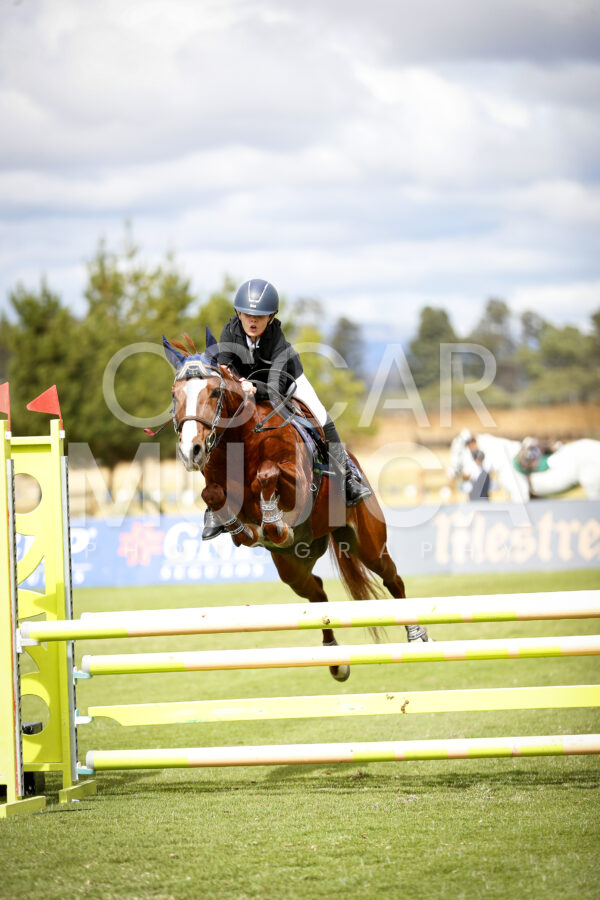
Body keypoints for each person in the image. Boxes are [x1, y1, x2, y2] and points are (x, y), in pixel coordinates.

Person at [202, 278, 371, 539]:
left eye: (260, 316)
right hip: (244, 386)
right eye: (247, 314)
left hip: (286, 382)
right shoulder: (229, 332)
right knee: (219, 421)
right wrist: (238, 383)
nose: (253, 320)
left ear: (271, 317)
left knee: (321, 414)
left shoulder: (277, 340)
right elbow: (225, 367)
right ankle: (214, 504)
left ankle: (349, 477)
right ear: (238, 313)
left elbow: (276, 387)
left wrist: (252, 388)